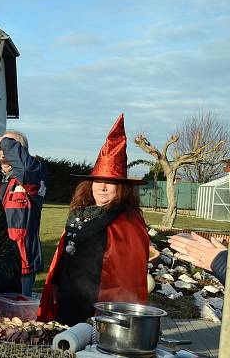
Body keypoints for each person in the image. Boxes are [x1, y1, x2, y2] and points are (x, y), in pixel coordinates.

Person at [38, 114, 149, 326]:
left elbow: (126, 275)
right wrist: (55, 284)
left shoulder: (127, 223)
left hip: (100, 305)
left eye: (110, 182)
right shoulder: (79, 214)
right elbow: (65, 254)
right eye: (98, 181)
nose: (102, 187)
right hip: (69, 298)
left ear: (123, 188)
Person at [0, 131, 46, 296]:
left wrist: (4, 141)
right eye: (1, 147)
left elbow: (26, 168)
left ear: (20, 151)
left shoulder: (34, 175)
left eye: (9, 145)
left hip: (20, 263)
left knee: (16, 318)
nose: (3, 150)